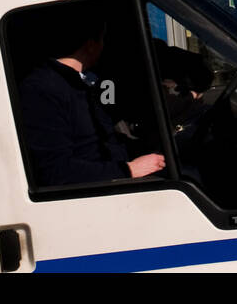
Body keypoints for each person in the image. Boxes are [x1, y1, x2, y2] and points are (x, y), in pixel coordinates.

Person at [19, 13, 166, 187]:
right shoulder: (42, 89)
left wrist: (149, 150)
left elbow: (106, 138)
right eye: (103, 39)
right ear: (91, 45)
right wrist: (129, 170)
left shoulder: (87, 82)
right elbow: (55, 170)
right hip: (92, 194)